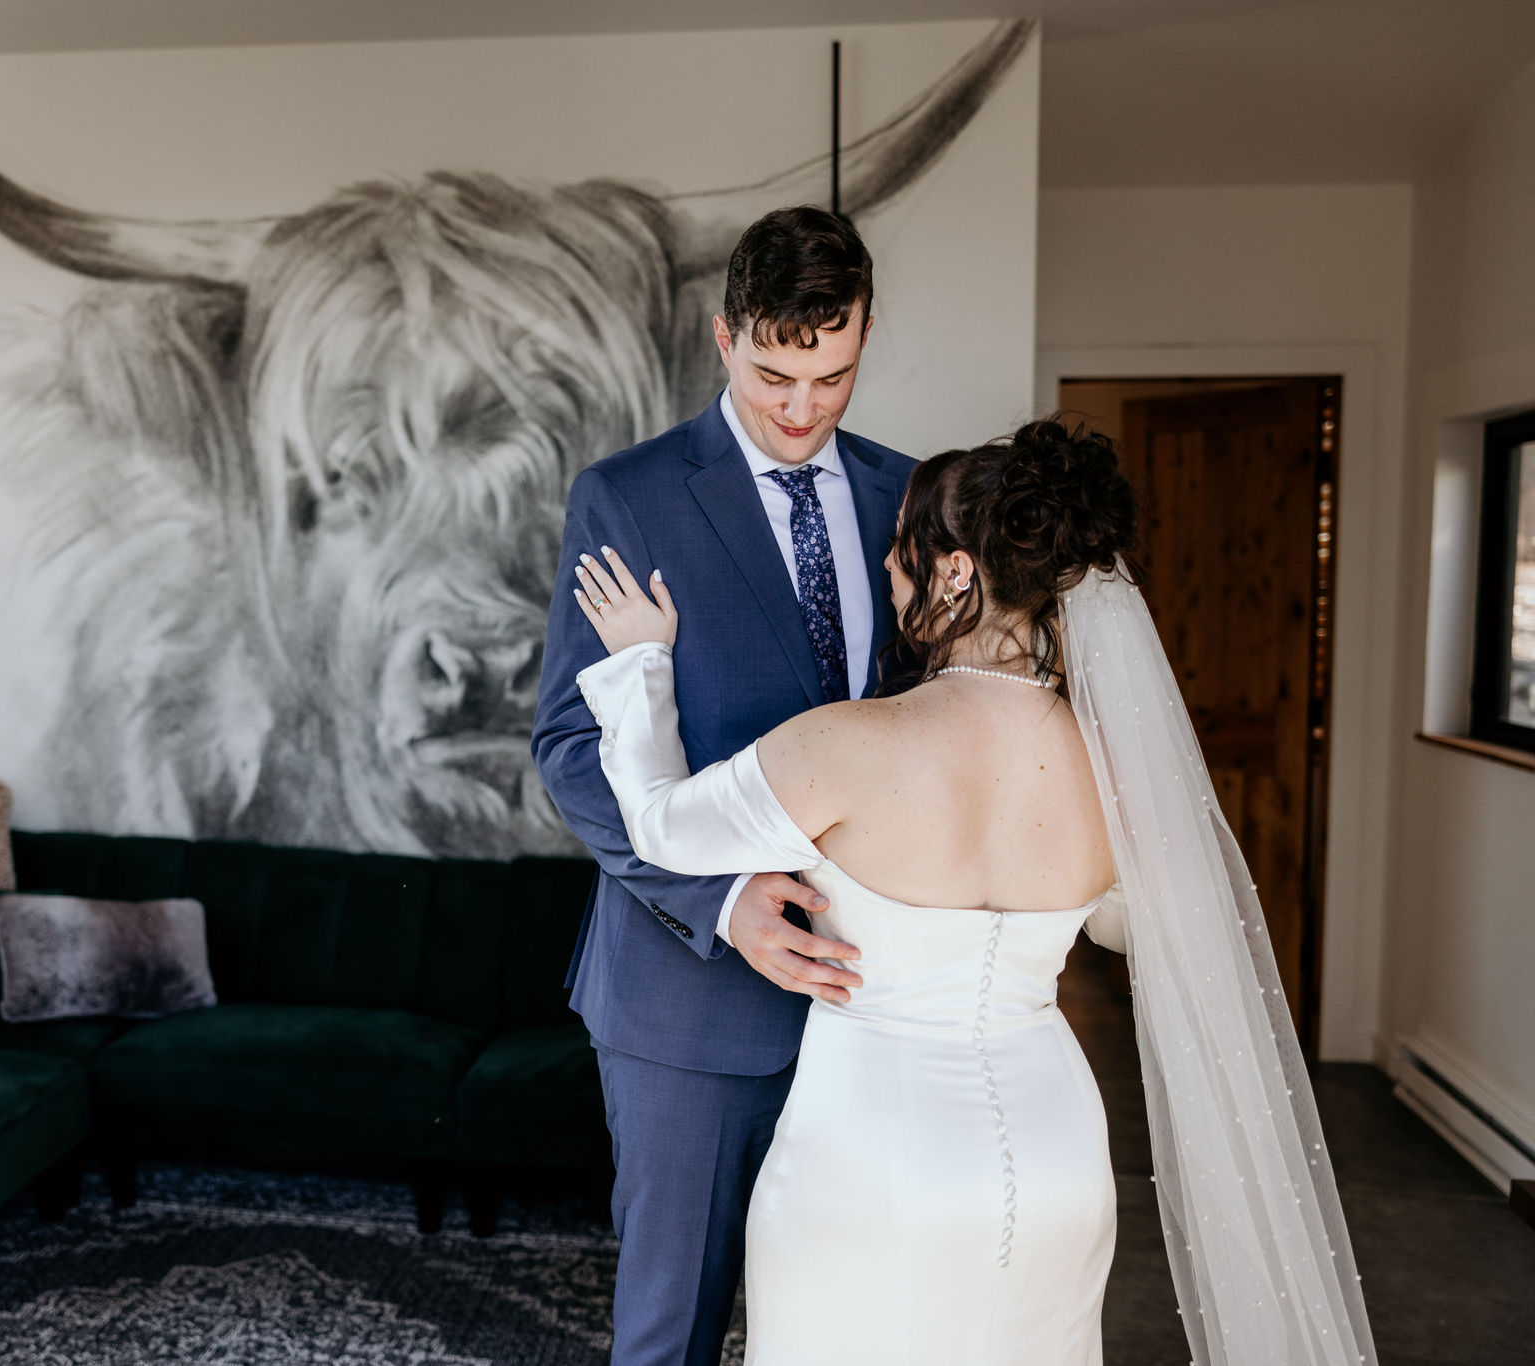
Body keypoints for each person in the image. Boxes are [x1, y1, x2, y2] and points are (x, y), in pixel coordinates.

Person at [563, 420, 1379, 1364]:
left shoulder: (851, 743)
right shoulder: (1114, 767)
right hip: (1057, 1153)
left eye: (903, 553)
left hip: (870, 1152)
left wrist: (640, 666)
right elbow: (1133, 924)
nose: (887, 568)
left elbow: (662, 822)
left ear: (955, 572)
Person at [531, 205, 915, 1366]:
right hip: (683, 1004)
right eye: (771, 375)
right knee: (671, 1335)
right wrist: (720, 900)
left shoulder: (912, 496)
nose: (800, 410)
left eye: (832, 375)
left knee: (846, 1329)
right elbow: (566, 745)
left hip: (875, 1004)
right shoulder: (629, 495)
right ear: (720, 337)